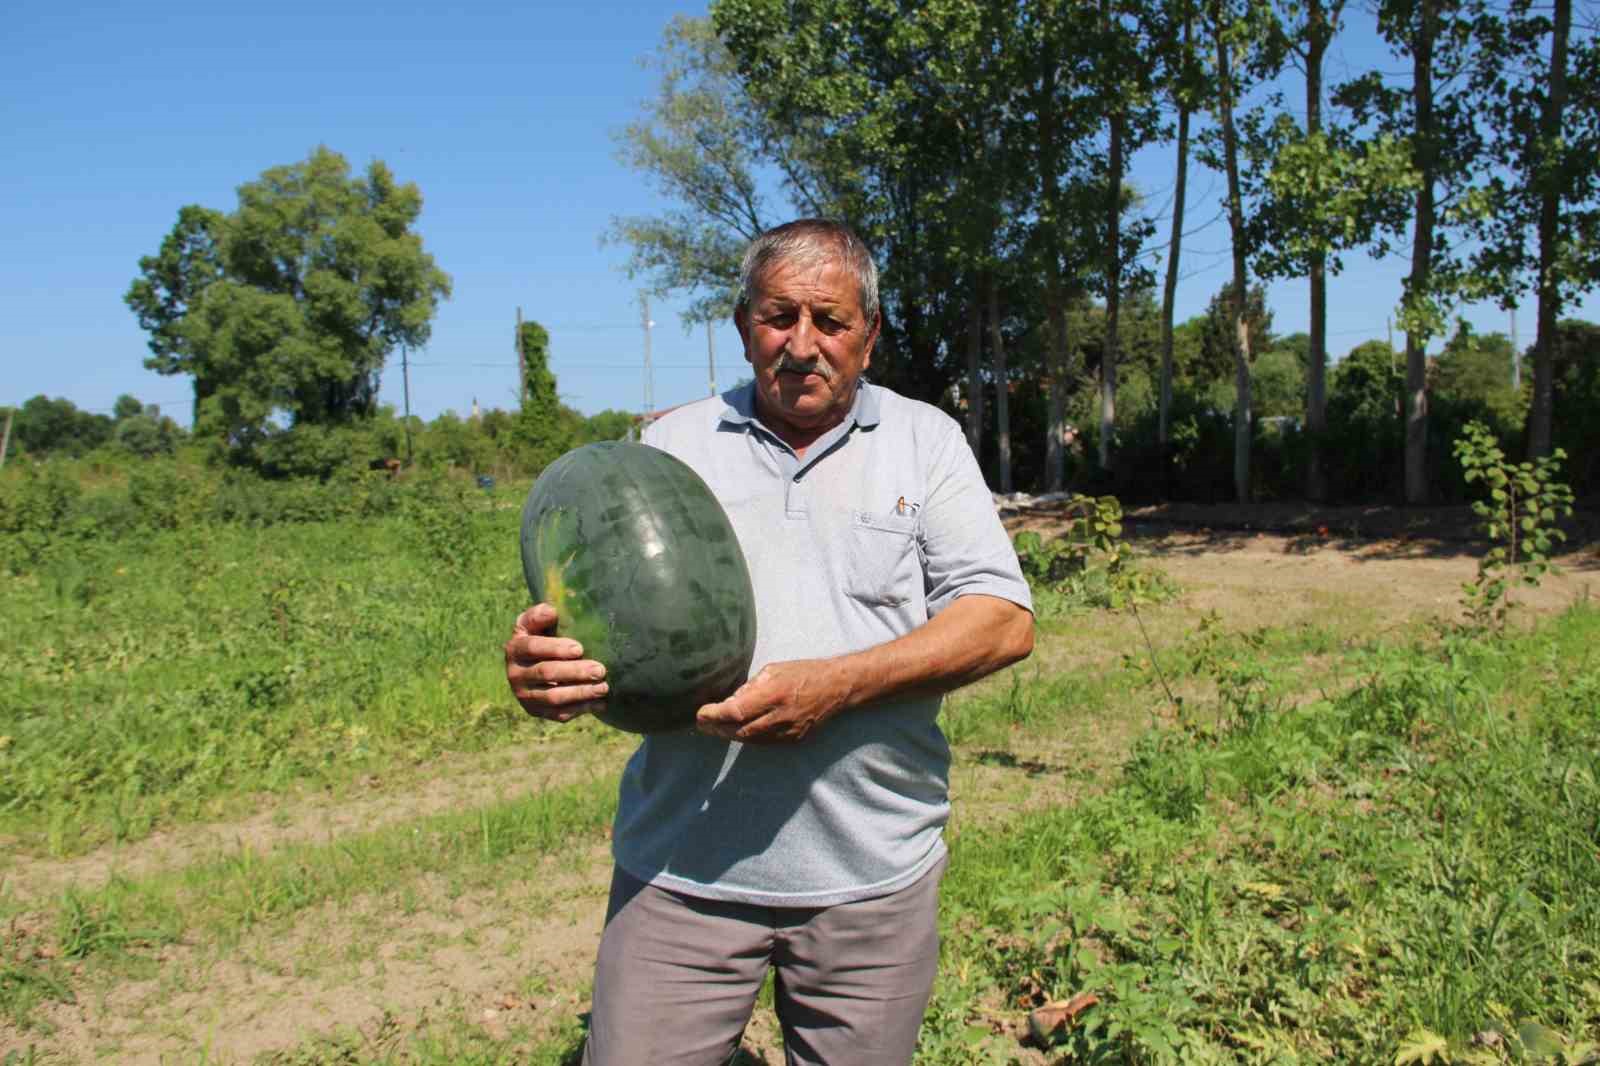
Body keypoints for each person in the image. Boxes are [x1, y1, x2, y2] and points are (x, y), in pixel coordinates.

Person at [504, 219, 1035, 1065]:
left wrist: (840, 684)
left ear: (870, 333)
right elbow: (596, 623)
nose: (802, 343)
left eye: (831, 320)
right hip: (681, 873)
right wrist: (546, 674)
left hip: (872, 877)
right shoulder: (668, 447)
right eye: (778, 316)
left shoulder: (924, 441)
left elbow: (1003, 619)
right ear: (743, 324)